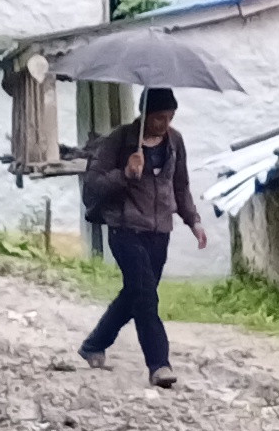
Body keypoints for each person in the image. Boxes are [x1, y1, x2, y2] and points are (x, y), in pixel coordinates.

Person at [71, 86, 201, 382]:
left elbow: (180, 185)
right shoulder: (119, 140)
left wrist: (193, 221)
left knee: (134, 293)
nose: (164, 124)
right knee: (145, 296)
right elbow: (93, 185)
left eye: (169, 117)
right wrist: (126, 174)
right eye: (158, 118)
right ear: (144, 114)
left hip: (159, 231)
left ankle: (94, 344)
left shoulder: (174, 142)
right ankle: (159, 365)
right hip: (125, 228)